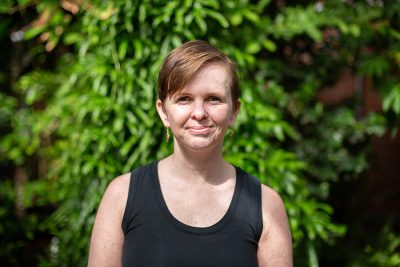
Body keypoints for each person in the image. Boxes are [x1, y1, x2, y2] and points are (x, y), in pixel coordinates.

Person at [88, 40, 293, 267]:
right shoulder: (121, 197)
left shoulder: (265, 205)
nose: (199, 113)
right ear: (163, 112)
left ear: (234, 111)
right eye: (184, 99)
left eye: (213, 99)